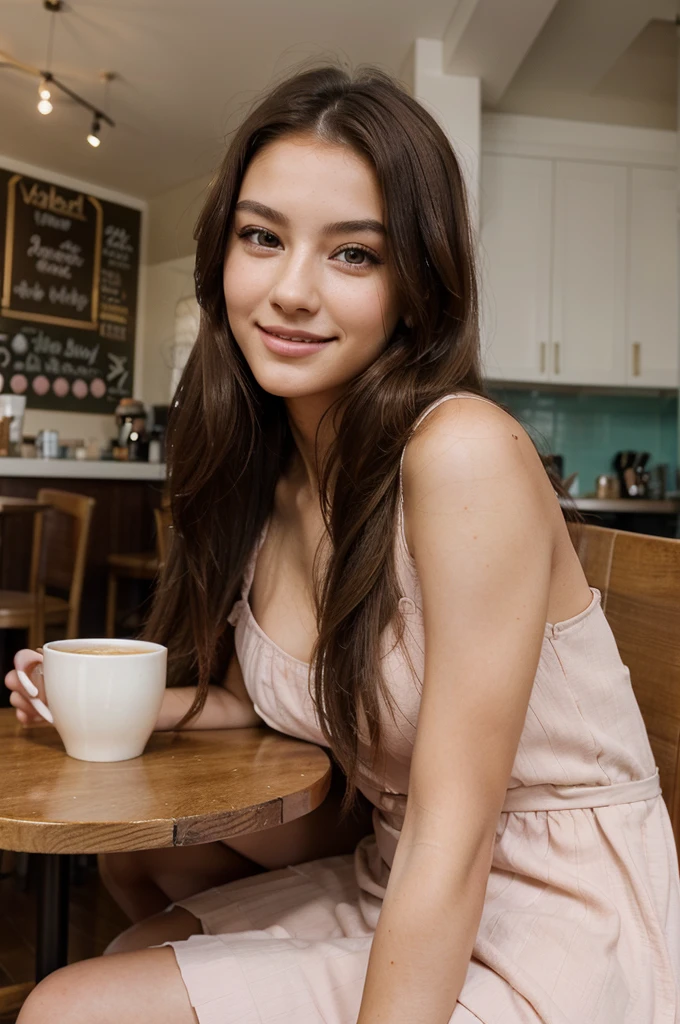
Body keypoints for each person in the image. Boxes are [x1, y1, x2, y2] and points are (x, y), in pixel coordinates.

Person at [6, 63, 679, 1024]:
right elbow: (288, 697)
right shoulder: (276, 468)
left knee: (70, 1009)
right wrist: (112, 697)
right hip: (392, 867)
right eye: (262, 237)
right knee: (128, 928)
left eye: (353, 255)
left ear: (417, 283)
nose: (290, 291)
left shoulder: (462, 455)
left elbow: (457, 827)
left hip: (546, 909)